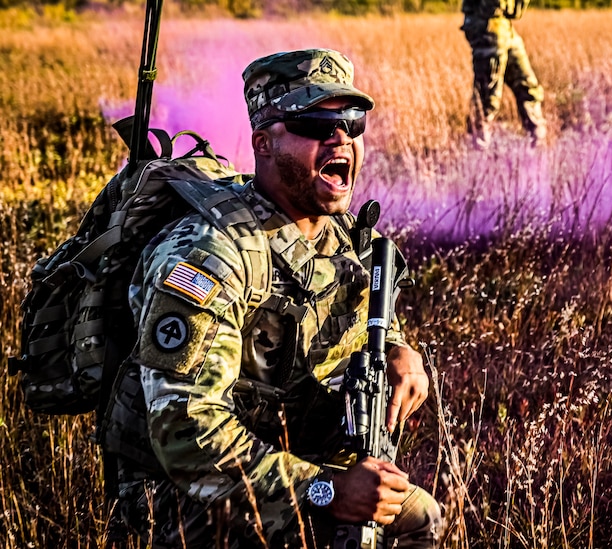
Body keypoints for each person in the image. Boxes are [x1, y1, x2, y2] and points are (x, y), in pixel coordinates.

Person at [103, 48, 442, 548]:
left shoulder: (340, 236)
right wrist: (326, 490)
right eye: (313, 122)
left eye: (351, 122)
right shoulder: (210, 253)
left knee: (417, 517)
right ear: (263, 143)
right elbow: (185, 430)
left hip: (287, 453)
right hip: (184, 487)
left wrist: (397, 349)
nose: (340, 137)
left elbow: (358, 318)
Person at [461, 0, 547, 147]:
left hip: (503, 25)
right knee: (487, 97)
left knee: (527, 86)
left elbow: (515, 12)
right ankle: (476, 152)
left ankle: (538, 143)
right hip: (487, 25)